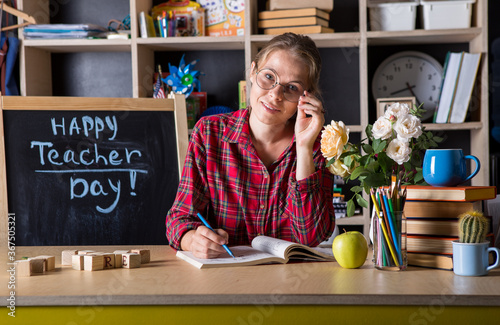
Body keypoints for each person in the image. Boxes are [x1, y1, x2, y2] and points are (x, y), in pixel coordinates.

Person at [166, 33, 335, 258]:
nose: (275, 95)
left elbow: (311, 236)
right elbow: (179, 218)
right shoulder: (209, 133)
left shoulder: (319, 145)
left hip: (291, 283)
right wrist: (191, 240)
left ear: (307, 97)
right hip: (223, 279)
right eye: (268, 76)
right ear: (253, 73)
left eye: (291, 88)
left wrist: (303, 147)